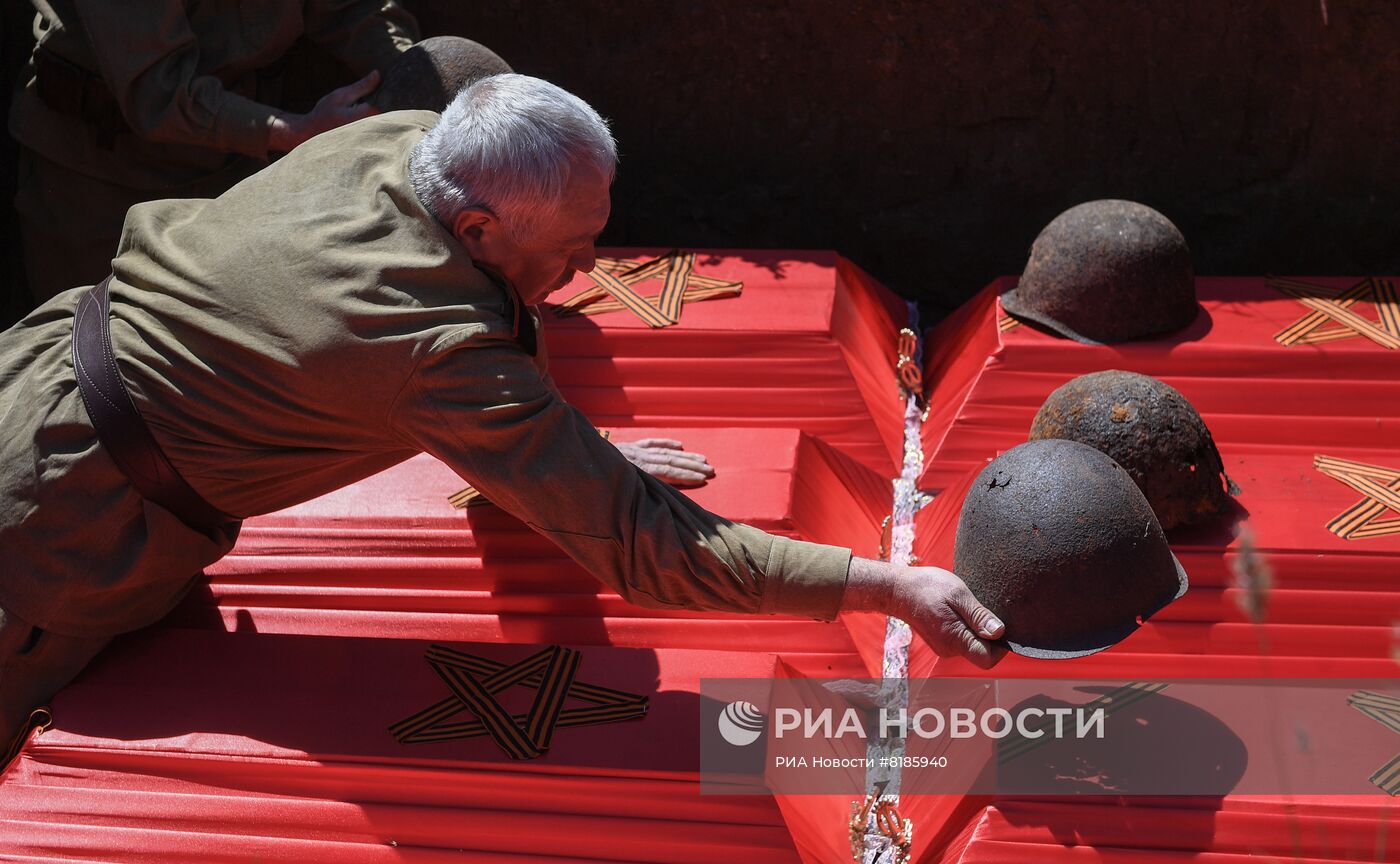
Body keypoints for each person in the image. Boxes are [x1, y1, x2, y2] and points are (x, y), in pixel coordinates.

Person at [0, 74, 1006, 761]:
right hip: (58, 527)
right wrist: (882, 585)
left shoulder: (396, 143)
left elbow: (447, 340)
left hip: (30, 363)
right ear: (475, 224)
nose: (583, 274)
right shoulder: (437, 355)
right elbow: (652, 553)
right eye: (570, 250)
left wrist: (562, 453)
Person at [7, 0, 422, 309]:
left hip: (237, 171)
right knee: (93, 369)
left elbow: (348, 8)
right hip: (104, 178)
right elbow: (158, 91)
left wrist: (413, 73)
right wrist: (294, 131)